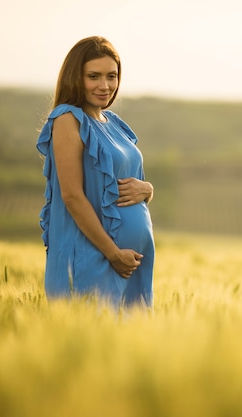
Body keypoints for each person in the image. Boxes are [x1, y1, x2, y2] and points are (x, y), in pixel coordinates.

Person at [36, 36, 154, 309]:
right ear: (75, 77)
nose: (105, 86)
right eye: (93, 76)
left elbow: (128, 180)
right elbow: (72, 195)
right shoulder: (68, 119)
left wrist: (148, 190)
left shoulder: (113, 122)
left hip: (130, 263)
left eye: (112, 76)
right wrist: (113, 253)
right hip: (95, 259)